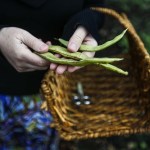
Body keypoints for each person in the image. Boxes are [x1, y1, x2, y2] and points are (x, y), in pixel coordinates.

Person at [0, 0, 104, 149]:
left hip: (53, 90)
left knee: (41, 141)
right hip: (3, 89)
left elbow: (96, 5)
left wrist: (87, 21)